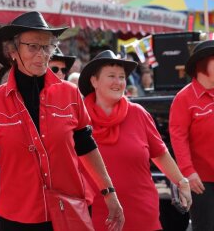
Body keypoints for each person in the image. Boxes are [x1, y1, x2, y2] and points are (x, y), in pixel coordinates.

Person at [0, 11, 124, 231]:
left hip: (67, 212)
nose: (42, 54)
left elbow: (87, 146)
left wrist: (109, 193)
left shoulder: (70, 94)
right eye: (33, 46)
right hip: (16, 215)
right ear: (13, 51)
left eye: (47, 47)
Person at [78, 50, 192, 231]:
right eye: (111, 76)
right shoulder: (78, 118)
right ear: (94, 81)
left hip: (142, 213)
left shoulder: (138, 113)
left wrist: (181, 181)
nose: (118, 82)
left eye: (122, 77)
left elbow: (160, 154)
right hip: (97, 215)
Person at [169, 40, 214, 231]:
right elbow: (178, 137)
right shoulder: (184, 98)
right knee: (205, 226)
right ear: (202, 65)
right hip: (202, 181)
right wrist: (188, 171)